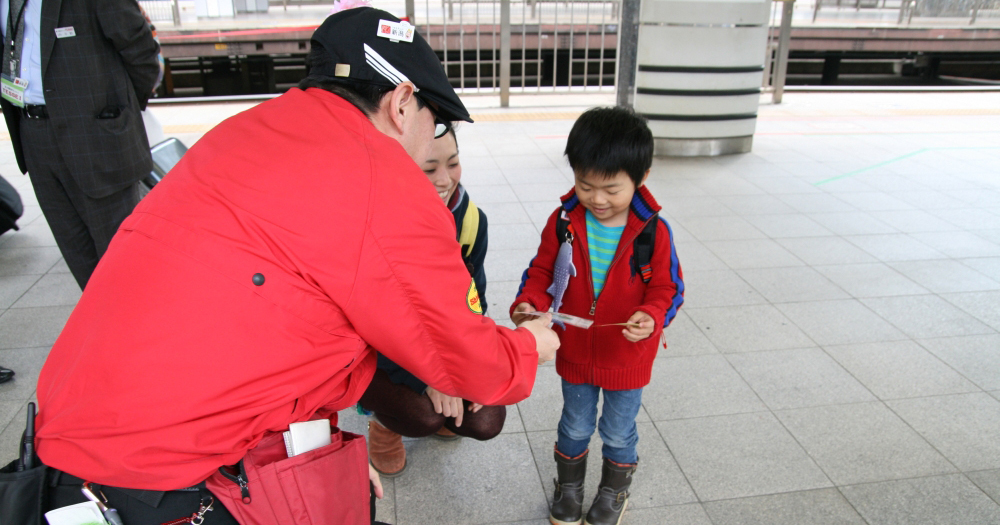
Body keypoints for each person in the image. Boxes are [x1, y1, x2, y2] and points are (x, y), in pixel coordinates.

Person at [32, 7, 558, 524]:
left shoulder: (243, 132)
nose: (432, 138)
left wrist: (319, 454)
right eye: (434, 119)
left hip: (64, 447)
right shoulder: (380, 176)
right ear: (401, 103)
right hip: (162, 480)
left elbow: (280, 321)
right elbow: (475, 368)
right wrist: (532, 343)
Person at [510, 107, 684, 525]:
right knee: (574, 424)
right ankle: (568, 488)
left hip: (627, 356)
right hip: (574, 349)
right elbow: (541, 271)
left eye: (611, 189)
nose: (597, 199)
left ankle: (613, 491)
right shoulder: (564, 221)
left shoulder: (653, 233)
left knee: (618, 431)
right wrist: (529, 303)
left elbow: (668, 289)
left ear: (641, 178)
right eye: (585, 185)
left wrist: (651, 316)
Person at [362, 128, 502, 477]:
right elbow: (370, 325)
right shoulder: (371, 226)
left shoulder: (470, 221)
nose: (445, 179)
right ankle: (386, 426)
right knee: (421, 414)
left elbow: (474, 303)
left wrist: (467, 368)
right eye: (428, 169)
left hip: (439, 345)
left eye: (453, 163)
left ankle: (444, 411)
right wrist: (431, 375)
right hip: (383, 353)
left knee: (486, 418)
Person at [0, 0, 160, 290]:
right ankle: (104, 329)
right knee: (79, 257)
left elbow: (140, 48)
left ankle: (142, 330)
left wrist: (120, 116)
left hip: (97, 134)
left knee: (122, 259)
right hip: (32, 132)